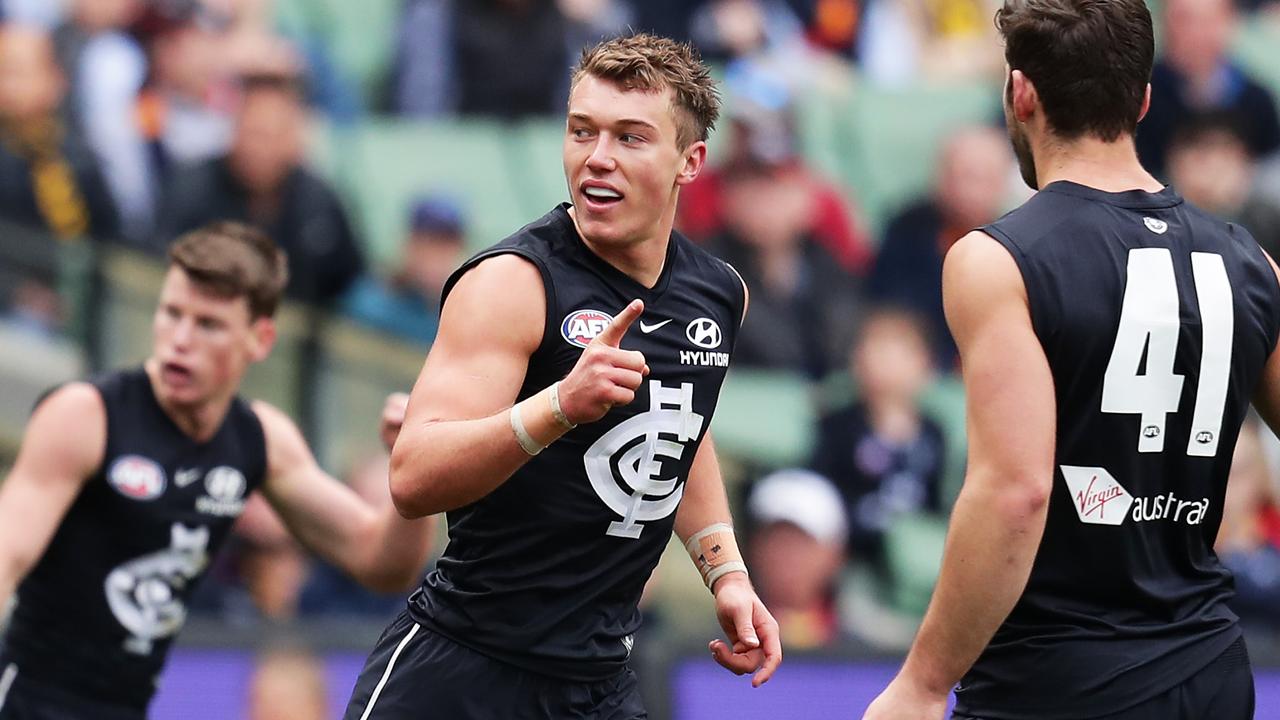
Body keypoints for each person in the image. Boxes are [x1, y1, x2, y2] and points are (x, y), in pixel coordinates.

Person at [342, 33, 781, 720]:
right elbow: (411, 477)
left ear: (689, 162)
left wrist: (726, 573)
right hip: (461, 673)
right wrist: (557, 408)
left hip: (597, 684)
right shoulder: (512, 284)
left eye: (630, 138)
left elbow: (681, 428)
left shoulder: (719, 293)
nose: (597, 158)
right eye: (582, 131)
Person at [865, 1, 1280, 718]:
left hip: (1059, 681)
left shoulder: (998, 260)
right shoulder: (1251, 262)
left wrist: (922, 684)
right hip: (1214, 673)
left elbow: (1016, 492)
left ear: (1021, 93)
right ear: (1143, 98)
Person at [0, 221, 435, 719]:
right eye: (171, 314)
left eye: (207, 324)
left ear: (260, 339)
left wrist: (413, 472)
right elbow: (5, 556)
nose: (179, 340)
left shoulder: (259, 439)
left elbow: (381, 564)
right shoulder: (86, 416)